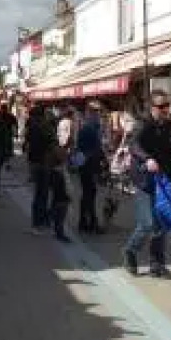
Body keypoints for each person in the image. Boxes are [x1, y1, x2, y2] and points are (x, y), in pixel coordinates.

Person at [123, 90, 171, 278]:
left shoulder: (166, 126)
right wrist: (147, 159)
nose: (166, 110)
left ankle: (157, 265)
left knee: (161, 225)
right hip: (143, 180)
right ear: (151, 107)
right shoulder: (142, 125)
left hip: (161, 181)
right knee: (147, 224)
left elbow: (168, 153)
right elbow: (134, 146)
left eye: (167, 105)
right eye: (161, 106)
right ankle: (130, 251)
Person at [24, 104, 55, 231]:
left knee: (40, 193)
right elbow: (51, 145)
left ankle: (39, 220)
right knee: (42, 193)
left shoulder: (33, 127)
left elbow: (29, 145)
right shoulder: (45, 127)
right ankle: (40, 221)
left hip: (37, 163)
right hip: (44, 163)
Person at [76, 101, 105, 233]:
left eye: (98, 111)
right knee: (89, 193)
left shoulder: (89, 128)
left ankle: (84, 221)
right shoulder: (89, 128)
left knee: (88, 193)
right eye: (95, 111)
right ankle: (91, 222)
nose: (98, 114)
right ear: (88, 113)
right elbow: (94, 149)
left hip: (86, 165)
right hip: (88, 165)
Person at [47, 145, 72, 242]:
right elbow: (62, 186)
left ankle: (50, 219)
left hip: (58, 198)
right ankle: (59, 233)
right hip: (62, 198)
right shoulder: (59, 172)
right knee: (60, 217)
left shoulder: (55, 171)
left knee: (57, 214)